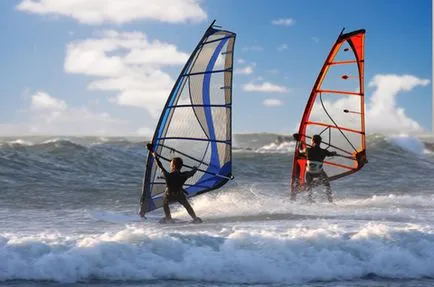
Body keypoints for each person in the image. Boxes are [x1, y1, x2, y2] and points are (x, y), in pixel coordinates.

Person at [145, 143, 202, 224]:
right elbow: (192, 173)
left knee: (165, 201)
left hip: (169, 195)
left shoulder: (168, 175)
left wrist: (152, 152)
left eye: (171, 164)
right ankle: (195, 218)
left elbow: (159, 165)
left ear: (174, 166)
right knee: (187, 206)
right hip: (179, 194)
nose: (170, 165)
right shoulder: (184, 175)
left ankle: (168, 218)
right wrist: (195, 168)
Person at [292, 133, 337, 203]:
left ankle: (309, 200)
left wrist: (299, 141)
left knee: (309, 187)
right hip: (319, 173)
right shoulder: (324, 151)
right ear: (320, 142)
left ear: (312, 141)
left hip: (309, 173)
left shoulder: (307, 150)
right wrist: (334, 153)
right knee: (327, 185)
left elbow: (300, 151)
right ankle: (330, 201)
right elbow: (331, 154)